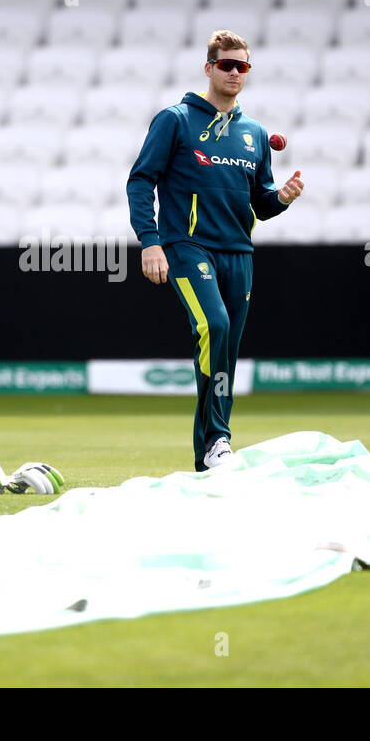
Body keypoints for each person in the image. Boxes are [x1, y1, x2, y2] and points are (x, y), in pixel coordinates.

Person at [126, 30, 305, 471]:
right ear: (209, 68)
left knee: (224, 347)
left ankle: (209, 456)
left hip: (239, 253)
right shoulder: (176, 119)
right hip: (188, 246)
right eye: (226, 64)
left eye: (242, 66)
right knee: (216, 326)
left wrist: (281, 197)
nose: (234, 73)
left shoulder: (255, 134)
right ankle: (219, 438)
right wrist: (151, 243)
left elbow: (260, 204)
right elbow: (140, 180)